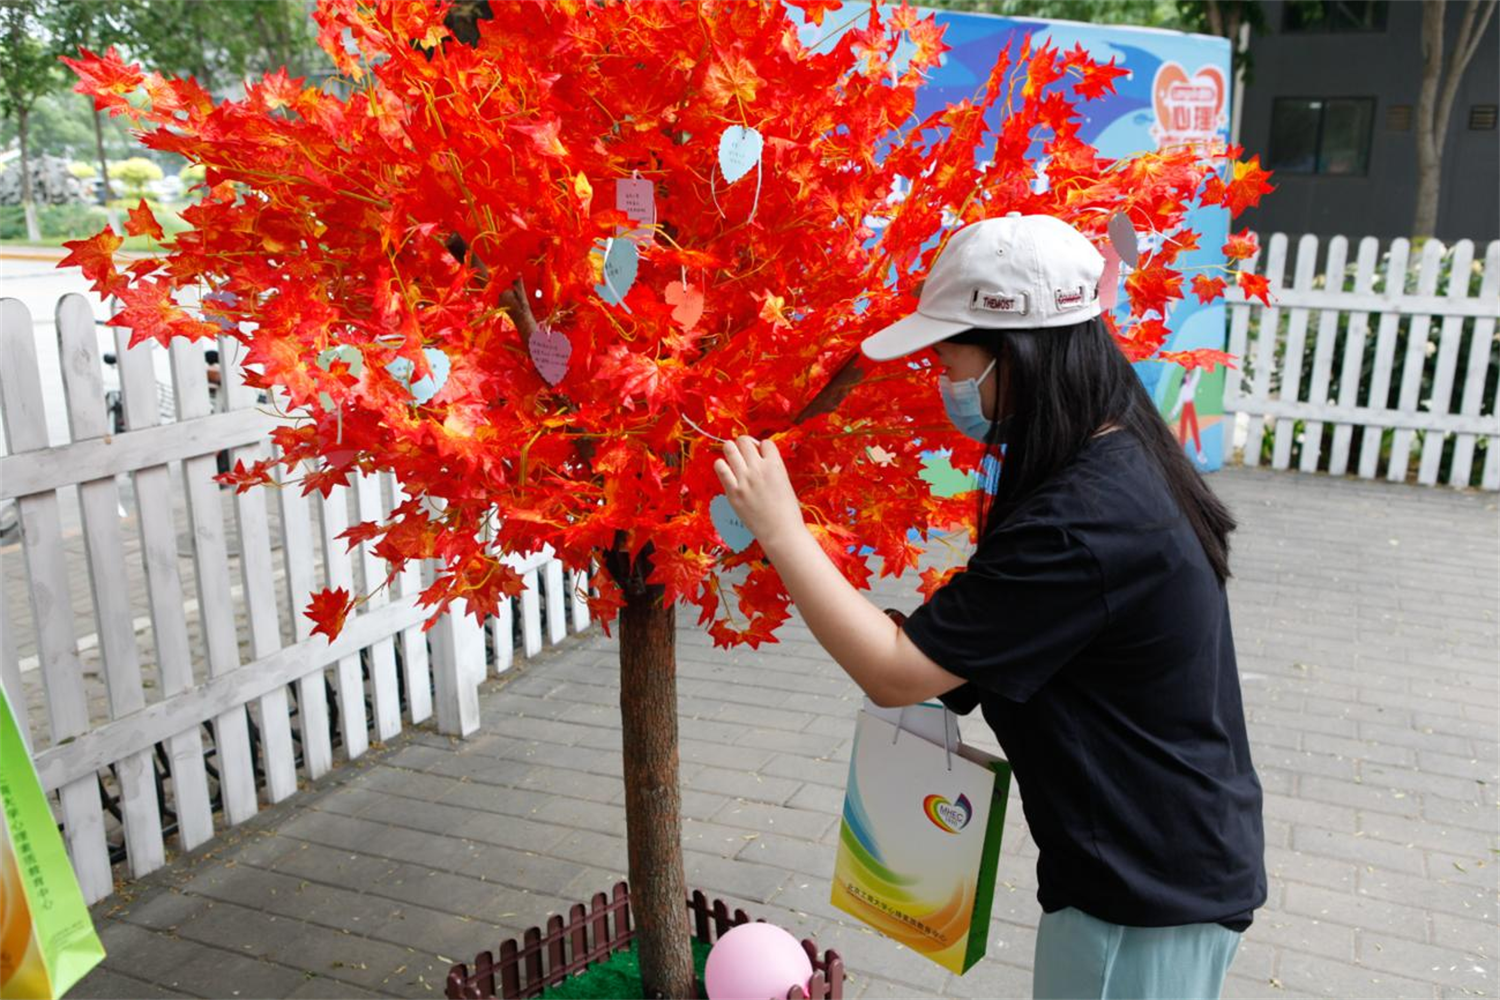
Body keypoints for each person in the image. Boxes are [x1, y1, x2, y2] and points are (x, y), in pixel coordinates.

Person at [712, 213, 1266, 1000]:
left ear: (1021, 354)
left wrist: (781, 528)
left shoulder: (1086, 519)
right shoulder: (1112, 456)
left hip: (1144, 900)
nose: (943, 374)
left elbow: (895, 674)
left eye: (950, 352)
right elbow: (992, 644)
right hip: (1153, 866)